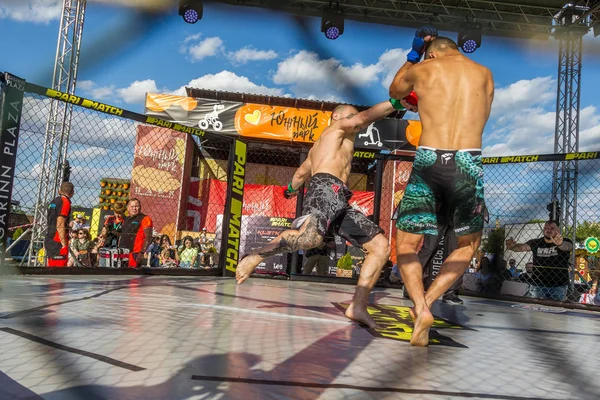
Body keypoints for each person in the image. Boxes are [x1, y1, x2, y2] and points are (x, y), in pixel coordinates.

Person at [235, 95, 419, 329]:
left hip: (339, 197)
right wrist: (398, 103)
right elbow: (364, 118)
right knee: (310, 238)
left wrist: (290, 190)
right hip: (325, 189)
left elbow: (301, 174)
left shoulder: (318, 148)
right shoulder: (337, 129)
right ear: (337, 117)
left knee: (380, 247)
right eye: (349, 116)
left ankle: (358, 306)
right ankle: (256, 256)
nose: (354, 121)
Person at [389, 29, 495, 346]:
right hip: (467, 161)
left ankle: (420, 306)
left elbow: (395, 92)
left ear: (433, 53)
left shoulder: (423, 68)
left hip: (428, 159)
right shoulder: (485, 74)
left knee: (408, 245)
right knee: (467, 245)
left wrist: (413, 54)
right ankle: (431, 299)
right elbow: (483, 115)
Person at [506, 220, 573, 301]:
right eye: (546, 228)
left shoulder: (566, 241)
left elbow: (568, 247)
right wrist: (512, 247)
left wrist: (560, 244)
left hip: (558, 285)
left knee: (556, 310)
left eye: (552, 228)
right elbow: (521, 247)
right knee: (535, 310)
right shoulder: (536, 242)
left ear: (558, 230)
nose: (548, 230)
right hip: (538, 285)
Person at [44, 182, 74, 267]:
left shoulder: (54, 201)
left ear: (59, 190)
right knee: (58, 273)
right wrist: (64, 244)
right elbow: (60, 223)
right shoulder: (65, 202)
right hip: (57, 241)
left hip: (50, 237)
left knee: (51, 268)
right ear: (72, 192)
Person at [119, 198, 153, 268]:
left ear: (140, 207)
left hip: (135, 254)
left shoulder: (145, 219)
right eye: (132, 206)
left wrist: (141, 253)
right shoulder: (125, 219)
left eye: (136, 206)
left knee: (132, 277)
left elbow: (148, 237)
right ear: (128, 208)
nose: (134, 208)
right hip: (122, 252)